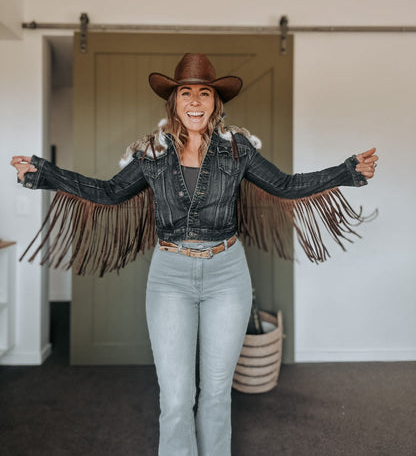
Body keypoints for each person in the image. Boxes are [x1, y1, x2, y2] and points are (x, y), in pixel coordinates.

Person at [10, 53, 377, 456]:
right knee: (176, 399)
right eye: (187, 92)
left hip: (228, 274)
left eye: (205, 93)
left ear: (216, 102)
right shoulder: (151, 152)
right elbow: (108, 192)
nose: (196, 101)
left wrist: (347, 171)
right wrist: (43, 173)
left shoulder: (237, 149)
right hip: (170, 276)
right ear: (174, 101)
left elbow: (285, 185)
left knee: (217, 394)